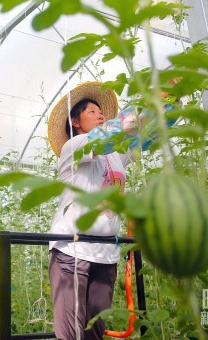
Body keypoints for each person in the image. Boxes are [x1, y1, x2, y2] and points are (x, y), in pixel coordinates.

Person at [46, 81, 177, 339]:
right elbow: (108, 134)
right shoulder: (75, 147)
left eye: (101, 112)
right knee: (71, 331)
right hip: (72, 250)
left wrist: (171, 99)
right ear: (75, 122)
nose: (100, 115)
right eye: (92, 112)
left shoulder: (117, 154)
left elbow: (149, 135)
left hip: (105, 253)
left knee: (96, 330)